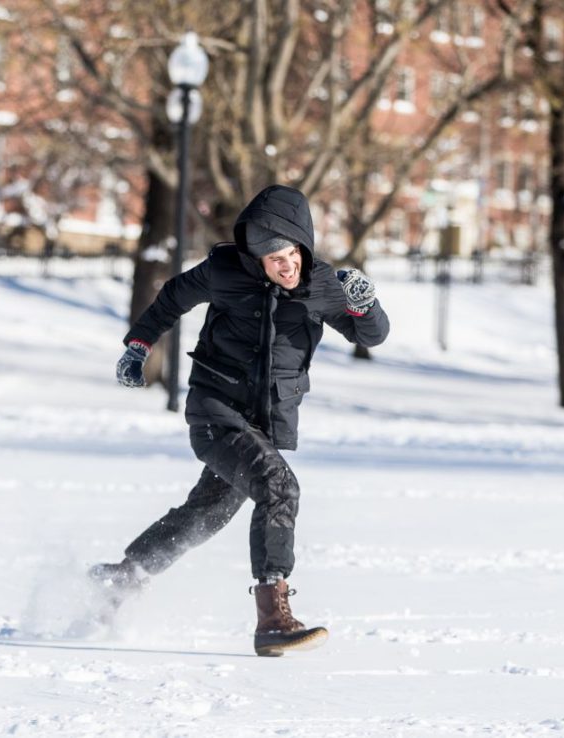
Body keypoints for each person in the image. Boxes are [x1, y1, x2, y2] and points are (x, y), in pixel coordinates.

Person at [92, 184, 389, 656]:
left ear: (303, 248)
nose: (285, 265)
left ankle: (125, 576)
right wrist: (138, 346)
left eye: (291, 253)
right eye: (273, 258)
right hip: (215, 411)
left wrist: (364, 304)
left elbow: (370, 335)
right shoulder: (225, 271)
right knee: (278, 488)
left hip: (264, 422)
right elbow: (172, 297)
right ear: (256, 258)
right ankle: (273, 618)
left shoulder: (322, 284)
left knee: (208, 513)